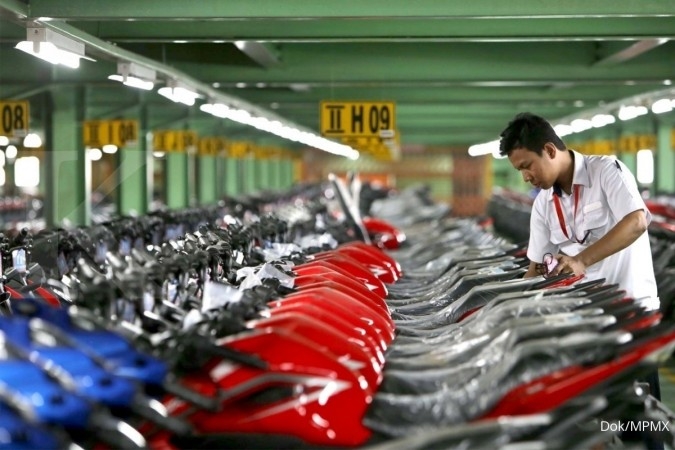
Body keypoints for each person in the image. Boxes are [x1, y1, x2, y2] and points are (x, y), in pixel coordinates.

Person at [499, 112, 661, 449]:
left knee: (639, 423)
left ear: (549, 150)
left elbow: (636, 221)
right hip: (584, 328)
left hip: (630, 320)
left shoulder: (606, 172)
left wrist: (581, 260)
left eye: (527, 165)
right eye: (519, 171)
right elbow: (535, 270)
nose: (525, 176)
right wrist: (508, 314)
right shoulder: (543, 204)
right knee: (595, 421)